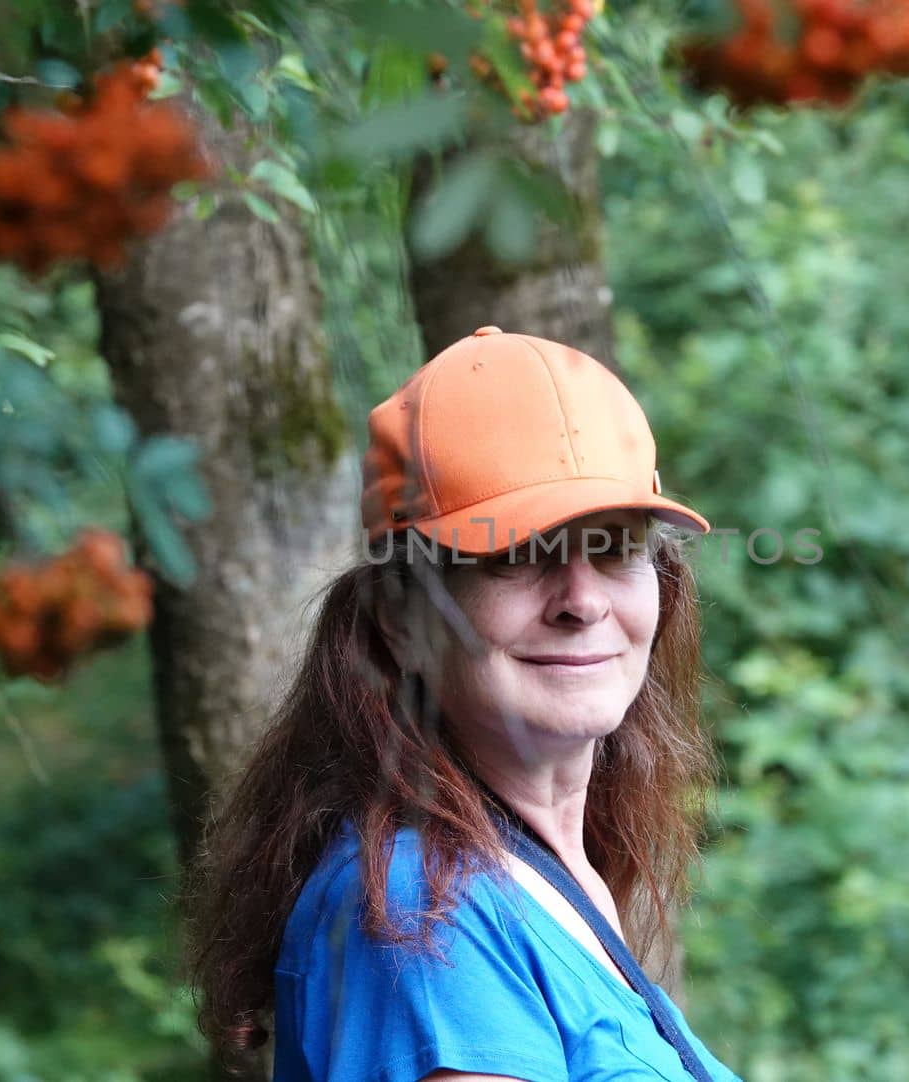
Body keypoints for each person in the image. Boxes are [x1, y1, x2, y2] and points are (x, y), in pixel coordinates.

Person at [185, 326, 745, 1081]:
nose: (581, 601)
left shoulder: (532, 874)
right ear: (399, 617)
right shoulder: (424, 917)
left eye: (615, 546)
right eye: (517, 555)